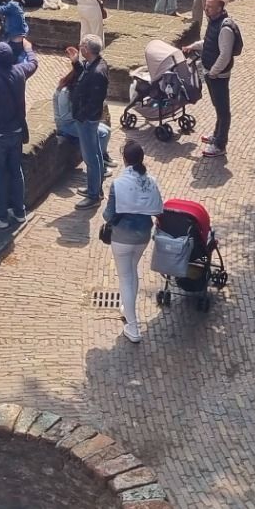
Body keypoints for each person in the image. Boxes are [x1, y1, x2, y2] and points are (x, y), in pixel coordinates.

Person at [101, 140, 164, 343]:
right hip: (143, 236)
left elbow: (108, 215)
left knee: (126, 278)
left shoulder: (118, 184)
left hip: (122, 238)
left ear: (125, 159)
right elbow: (157, 209)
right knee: (132, 273)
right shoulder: (151, 181)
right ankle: (127, 310)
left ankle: (133, 326)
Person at [0, 40, 37, 228]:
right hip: (16, 132)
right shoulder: (19, 72)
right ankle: (19, 212)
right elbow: (33, 64)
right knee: (16, 172)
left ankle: (1, 216)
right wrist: (29, 49)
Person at [183, 0, 240, 159]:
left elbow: (225, 54)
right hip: (212, 74)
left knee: (223, 110)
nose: (205, 9)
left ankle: (220, 144)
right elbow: (208, 43)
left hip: (218, 76)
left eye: (209, 7)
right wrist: (192, 46)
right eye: (206, 6)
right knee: (218, 108)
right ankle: (216, 135)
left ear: (220, 9)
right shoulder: (213, 23)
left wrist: (213, 72)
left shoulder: (225, 29)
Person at [70, 34, 111, 208]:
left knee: (91, 158)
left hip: (87, 120)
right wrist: (75, 63)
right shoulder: (94, 65)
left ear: (87, 49)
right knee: (95, 155)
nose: (80, 46)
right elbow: (84, 79)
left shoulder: (97, 72)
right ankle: (95, 189)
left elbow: (95, 100)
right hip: (87, 118)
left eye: (82, 45)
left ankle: (94, 196)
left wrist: (82, 115)